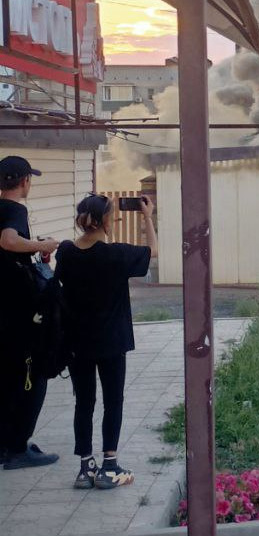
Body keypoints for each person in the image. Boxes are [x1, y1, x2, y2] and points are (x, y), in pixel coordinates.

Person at [55, 193, 155, 489]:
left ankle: (85, 468)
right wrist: (148, 216)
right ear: (106, 221)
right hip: (112, 341)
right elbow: (153, 251)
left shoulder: (66, 252)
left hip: (76, 341)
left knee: (84, 402)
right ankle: (109, 466)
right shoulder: (116, 255)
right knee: (113, 400)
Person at [0, 155, 60, 470]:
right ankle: (17, 447)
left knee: (6, 378)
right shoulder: (15, 210)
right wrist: (39, 246)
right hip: (17, 315)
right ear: (24, 181)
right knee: (32, 376)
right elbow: (8, 241)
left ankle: (4, 445)